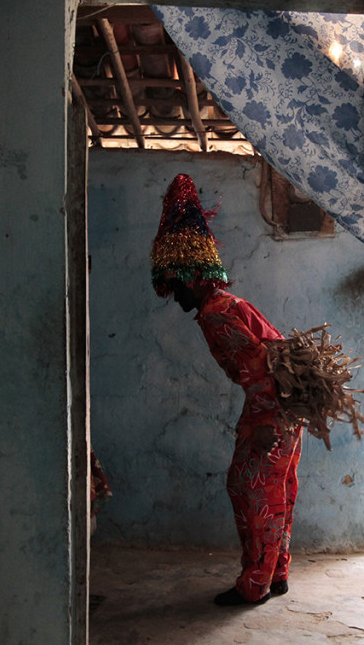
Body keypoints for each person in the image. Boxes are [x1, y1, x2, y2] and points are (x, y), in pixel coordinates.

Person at [150, 173, 302, 606]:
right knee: (280, 490)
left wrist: (260, 423)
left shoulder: (216, 313)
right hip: (290, 408)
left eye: (176, 283)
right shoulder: (228, 304)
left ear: (194, 275)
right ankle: (276, 575)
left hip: (272, 410)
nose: (173, 295)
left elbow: (258, 366)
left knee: (249, 487)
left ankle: (254, 585)